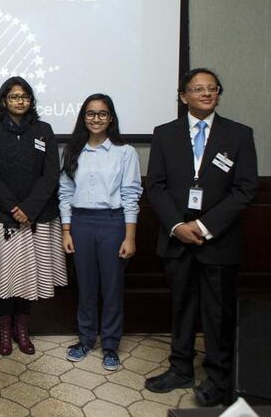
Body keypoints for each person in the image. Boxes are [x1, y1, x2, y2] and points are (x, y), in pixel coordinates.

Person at [144, 69, 257, 406]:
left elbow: (246, 188)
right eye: (198, 89)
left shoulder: (238, 134)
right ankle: (180, 368)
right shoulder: (164, 134)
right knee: (181, 307)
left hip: (218, 241)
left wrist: (205, 226)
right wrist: (179, 226)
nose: (206, 93)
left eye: (212, 89)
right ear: (184, 96)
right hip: (176, 238)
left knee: (218, 314)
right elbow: (156, 185)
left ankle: (219, 380)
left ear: (218, 94)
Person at [0, 77, 66, 356]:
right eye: (14, 96)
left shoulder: (44, 130)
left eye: (24, 96)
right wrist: (13, 207)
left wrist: (29, 208)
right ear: (4, 100)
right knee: (6, 277)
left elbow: (51, 173)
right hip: (2, 218)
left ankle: (22, 330)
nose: (20, 100)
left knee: (28, 277)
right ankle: (4, 333)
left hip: (36, 218)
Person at [59, 93, 142, 371]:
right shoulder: (72, 151)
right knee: (85, 286)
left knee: (112, 288)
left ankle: (110, 345)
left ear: (111, 118)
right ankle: (85, 340)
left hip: (112, 223)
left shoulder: (125, 152)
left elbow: (131, 195)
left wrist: (129, 236)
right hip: (81, 224)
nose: (96, 119)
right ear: (83, 118)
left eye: (102, 114)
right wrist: (66, 230)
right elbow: (66, 193)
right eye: (91, 114)